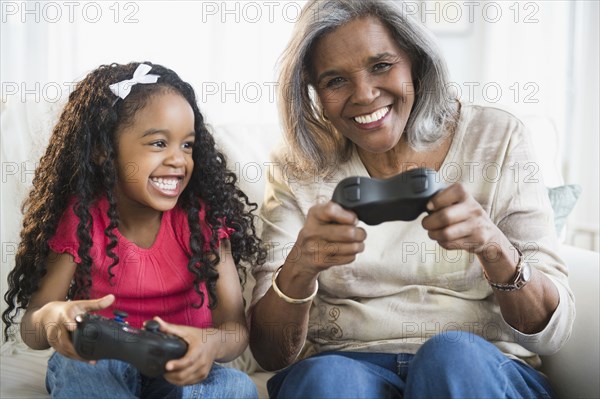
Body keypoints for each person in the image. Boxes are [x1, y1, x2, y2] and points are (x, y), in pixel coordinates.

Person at [249, 1, 575, 398]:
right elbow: (270, 354)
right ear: (313, 92)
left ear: (417, 64)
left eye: (382, 65)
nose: (365, 95)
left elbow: (553, 332)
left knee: (450, 357)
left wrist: (493, 247)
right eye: (335, 81)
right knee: (327, 381)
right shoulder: (297, 166)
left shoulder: (497, 138)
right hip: (350, 365)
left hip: (479, 365)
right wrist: (300, 265)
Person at [2, 62, 265, 398]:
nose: (178, 159)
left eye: (187, 145)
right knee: (77, 371)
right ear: (103, 151)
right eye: (158, 143)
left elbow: (234, 329)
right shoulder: (82, 220)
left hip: (179, 365)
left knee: (234, 386)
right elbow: (33, 327)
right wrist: (56, 318)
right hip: (100, 360)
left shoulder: (202, 221)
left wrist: (211, 343)